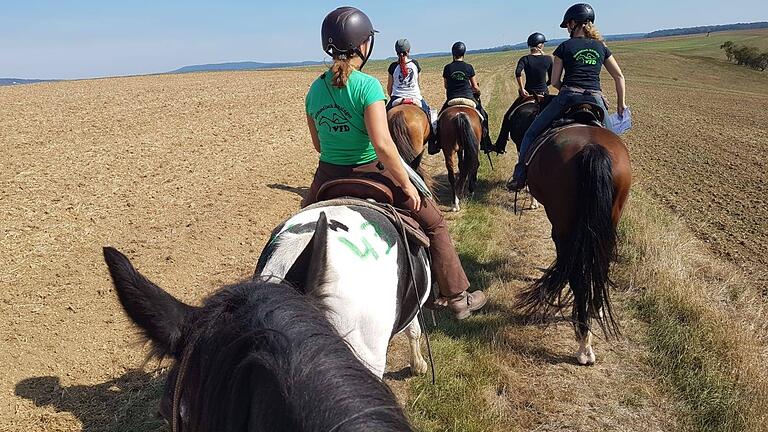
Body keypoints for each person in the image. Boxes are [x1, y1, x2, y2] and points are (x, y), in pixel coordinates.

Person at [303, 7, 487, 318]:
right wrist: (405, 184)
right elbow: (384, 146)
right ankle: (457, 297)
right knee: (436, 222)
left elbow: (318, 144)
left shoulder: (314, 90)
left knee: (299, 230)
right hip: (372, 173)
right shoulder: (366, 86)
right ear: (364, 45)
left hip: (327, 177)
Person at [507, 3, 627, 190]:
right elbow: (619, 76)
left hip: (568, 97)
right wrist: (621, 104)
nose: (567, 29)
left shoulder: (564, 47)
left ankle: (520, 175)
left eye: (568, 25)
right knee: (615, 142)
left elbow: (554, 81)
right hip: (595, 99)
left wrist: (569, 89)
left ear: (573, 23)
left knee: (531, 133)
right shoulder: (601, 47)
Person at [428, 41, 493, 154]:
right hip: (468, 99)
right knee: (484, 116)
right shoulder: (469, 67)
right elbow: (474, 86)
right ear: (464, 53)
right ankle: (485, 143)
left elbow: (446, 85)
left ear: (453, 53)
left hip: (452, 100)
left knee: (438, 121)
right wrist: (478, 91)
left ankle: (437, 142)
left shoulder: (447, 68)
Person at [493, 32, 553, 154]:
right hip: (543, 95)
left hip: (527, 94)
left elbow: (518, 72)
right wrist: (544, 86)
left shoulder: (525, 59)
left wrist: (522, 89)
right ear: (540, 45)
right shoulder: (548, 59)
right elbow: (551, 80)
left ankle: (500, 145)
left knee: (508, 116)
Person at [386, 38, 436, 147]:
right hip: (415, 98)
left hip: (396, 99)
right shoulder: (415, 64)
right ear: (409, 50)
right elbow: (418, 84)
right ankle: (433, 141)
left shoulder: (393, 66)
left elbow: (389, 87)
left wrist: (393, 97)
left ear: (396, 51)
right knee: (431, 115)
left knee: (382, 120)